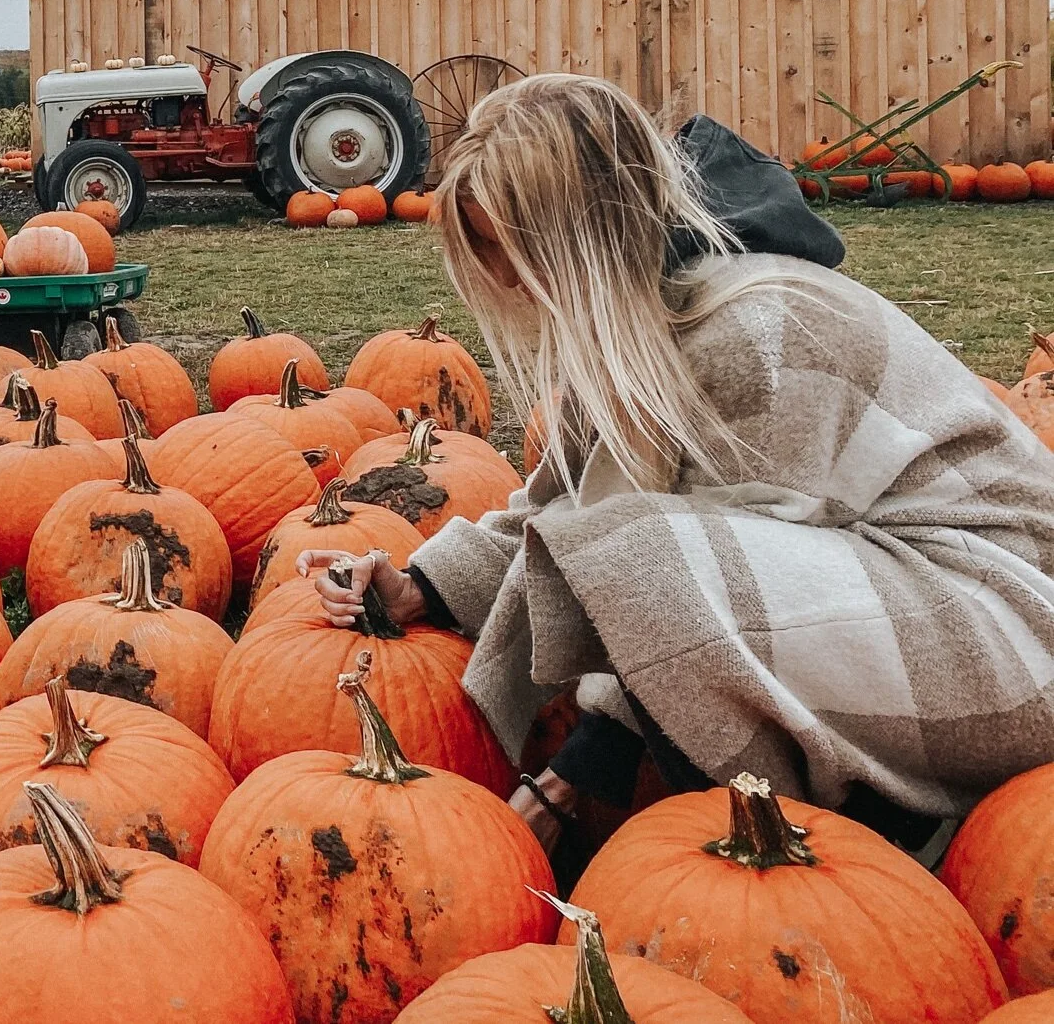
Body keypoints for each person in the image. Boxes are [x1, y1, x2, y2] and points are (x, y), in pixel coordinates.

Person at [300, 73, 1054, 853]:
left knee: (638, 554)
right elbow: (560, 505)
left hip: (1011, 635)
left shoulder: (758, 329)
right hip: (902, 607)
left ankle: (891, 830)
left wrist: (569, 781)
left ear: (583, 236)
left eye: (509, 248)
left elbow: (705, 601)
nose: (506, 278)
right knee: (626, 545)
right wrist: (419, 585)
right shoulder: (645, 318)